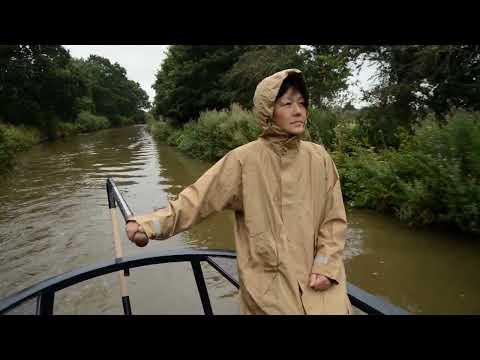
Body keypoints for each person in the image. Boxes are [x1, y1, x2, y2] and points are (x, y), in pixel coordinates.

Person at [126, 69, 353, 315]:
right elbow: (196, 200)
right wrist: (148, 224)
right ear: (268, 111)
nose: (298, 111)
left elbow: (334, 219)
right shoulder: (243, 160)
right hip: (270, 296)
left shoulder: (319, 157)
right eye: (287, 104)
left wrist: (326, 266)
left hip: (323, 293)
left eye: (302, 103)